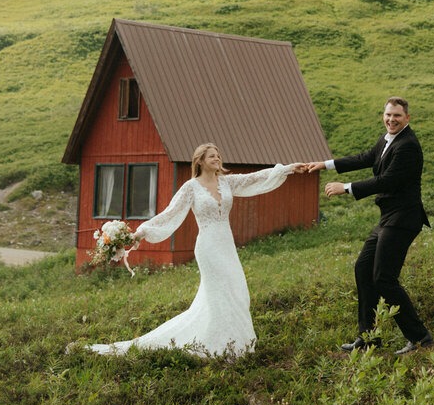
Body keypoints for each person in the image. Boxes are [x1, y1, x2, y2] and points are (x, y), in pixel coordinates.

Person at [89, 144, 303, 358]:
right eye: (212, 156)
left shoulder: (227, 182)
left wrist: (288, 169)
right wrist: (140, 232)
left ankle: (235, 343)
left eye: (218, 155)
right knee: (218, 293)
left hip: (226, 245)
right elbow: (170, 213)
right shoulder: (191, 187)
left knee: (236, 288)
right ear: (200, 161)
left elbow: (256, 178)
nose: (217, 159)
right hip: (208, 247)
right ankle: (218, 345)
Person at [306, 97, 434, 355]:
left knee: (384, 278)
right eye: (388, 115)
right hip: (389, 218)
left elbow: (386, 180)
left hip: (403, 219)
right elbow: (367, 157)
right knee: (363, 268)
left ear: (407, 118)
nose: (391, 119)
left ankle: (420, 338)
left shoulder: (407, 145)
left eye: (397, 116)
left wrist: (347, 188)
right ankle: (368, 338)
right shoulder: (388, 139)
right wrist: (326, 164)